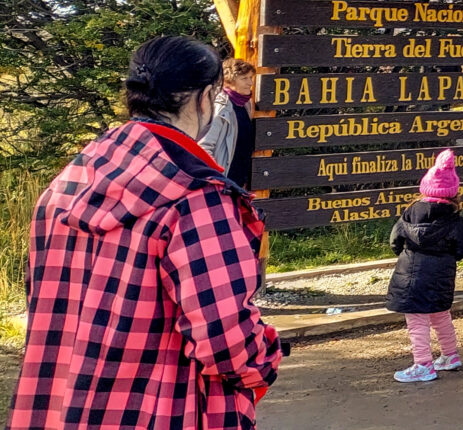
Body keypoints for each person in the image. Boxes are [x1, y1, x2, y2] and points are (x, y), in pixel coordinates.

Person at [9, 36, 282, 428]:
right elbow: (226, 341)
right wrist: (266, 359)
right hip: (162, 407)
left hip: (65, 402)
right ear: (206, 96)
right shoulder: (195, 196)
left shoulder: (73, 178)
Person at [388, 150, 463, 382]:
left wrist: (406, 255)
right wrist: (447, 258)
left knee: (417, 321)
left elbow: (394, 241)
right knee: (440, 315)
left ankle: (423, 364)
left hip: (411, 274)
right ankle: (450, 355)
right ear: (453, 193)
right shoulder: (456, 220)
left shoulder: (408, 214)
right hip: (441, 275)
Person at [196, 57, 258, 190]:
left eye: (250, 78)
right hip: (223, 182)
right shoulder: (220, 107)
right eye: (244, 79)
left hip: (239, 181)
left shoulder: (246, 104)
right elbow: (204, 146)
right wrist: (217, 179)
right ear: (230, 81)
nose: (250, 83)